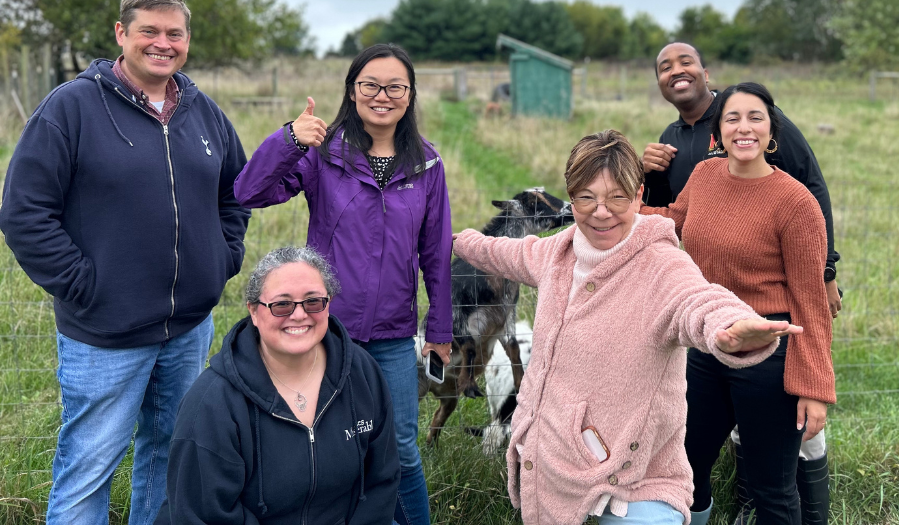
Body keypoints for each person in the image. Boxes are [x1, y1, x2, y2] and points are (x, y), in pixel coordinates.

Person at [453, 129, 802, 525]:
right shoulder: (558, 252)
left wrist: (731, 327)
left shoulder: (661, 264)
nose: (602, 212)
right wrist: (453, 241)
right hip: (554, 464)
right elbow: (504, 252)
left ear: (638, 196)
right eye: (587, 197)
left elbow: (698, 300)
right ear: (571, 197)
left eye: (617, 197)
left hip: (635, 476)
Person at [0, 0, 250, 525]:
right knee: (88, 470)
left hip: (188, 329)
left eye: (174, 34)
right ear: (122, 34)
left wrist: (223, 258)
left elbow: (235, 194)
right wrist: (85, 284)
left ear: (186, 41)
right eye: (149, 32)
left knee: (171, 459)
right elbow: (24, 211)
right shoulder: (71, 108)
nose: (162, 44)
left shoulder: (204, 112)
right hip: (104, 333)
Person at [234, 43, 452, 525]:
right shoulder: (322, 155)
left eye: (395, 86)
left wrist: (439, 328)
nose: (383, 95)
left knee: (400, 449)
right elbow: (249, 191)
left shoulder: (427, 165)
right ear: (353, 92)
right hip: (324, 331)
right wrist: (289, 138)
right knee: (330, 448)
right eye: (370, 85)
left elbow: (435, 254)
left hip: (395, 335)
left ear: (410, 95)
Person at [642, 42, 838, 524]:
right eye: (733, 119)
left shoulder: (794, 202)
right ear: (719, 130)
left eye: (755, 118)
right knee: (684, 464)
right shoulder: (706, 177)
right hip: (707, 348)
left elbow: (810, 302)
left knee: (773, 488)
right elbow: (666, 222)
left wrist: (814, 385)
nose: (743, 127)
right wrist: (613, 206)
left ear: (772, 131)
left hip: (769, 356)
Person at [156, 246, 400, 524]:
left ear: (328, 304)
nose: (298, 315)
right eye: (281, 304)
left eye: (313, 302)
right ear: (254, 312)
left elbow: (382, 478)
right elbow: (204, 514)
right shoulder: (212, 403)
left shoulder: (362, 372)